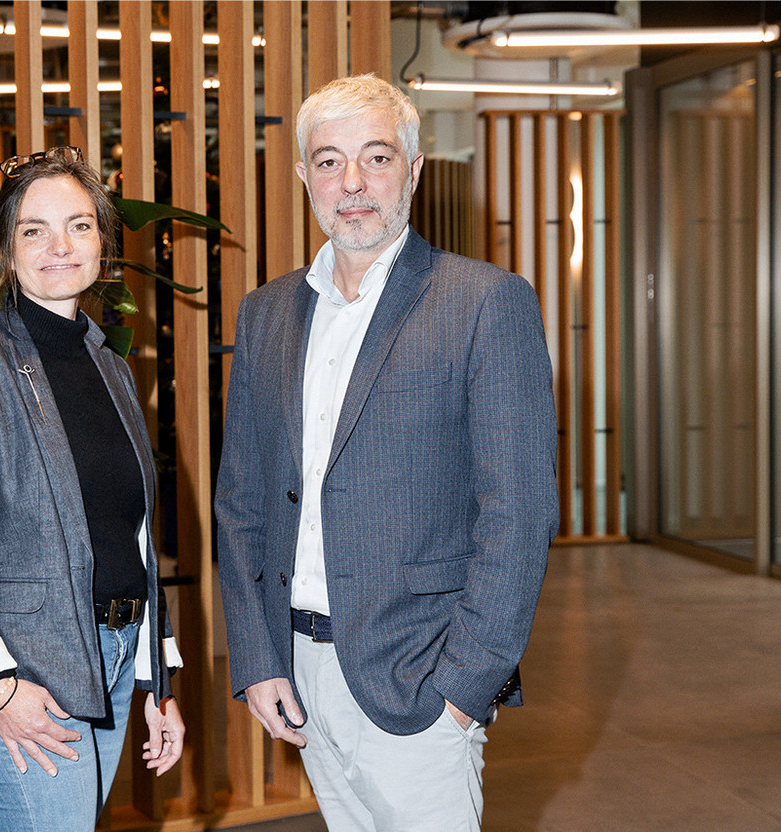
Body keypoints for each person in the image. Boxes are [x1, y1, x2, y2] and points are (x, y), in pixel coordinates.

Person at [215, 75, 559, 831]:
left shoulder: (483, 301)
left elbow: (519, 510)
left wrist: (465, 690)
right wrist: (258, 655)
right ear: (304, 177)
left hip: (418, 676)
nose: (353, 184)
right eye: (329, 162)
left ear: (412, 169)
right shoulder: (268, 312)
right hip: (298, 667)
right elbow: (241, 500)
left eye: (375, 157)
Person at [0, 145, 185, 832]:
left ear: (102, 242)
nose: (59, 246)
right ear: (7, 249)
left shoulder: (110, 366)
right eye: (34, 229)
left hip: (115, 660)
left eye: (79, 225)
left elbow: (132, 536)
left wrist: (156, 677)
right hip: (28, 670)